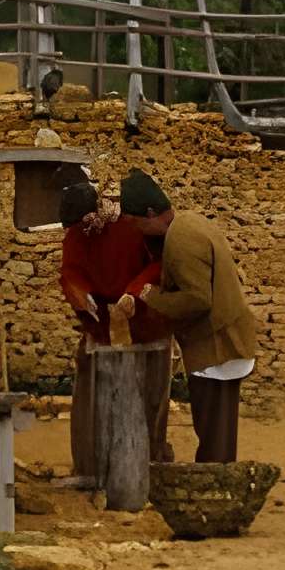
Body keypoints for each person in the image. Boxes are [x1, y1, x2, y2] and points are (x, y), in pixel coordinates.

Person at [111, 169, 259, 463]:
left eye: (137, 222)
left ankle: (214, 493)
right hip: (225, 344)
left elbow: (198, 299)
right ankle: (218, 486)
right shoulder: (190, 222)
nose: (137, 230)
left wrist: (151, 296)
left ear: (151, 213)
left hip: (216, 348)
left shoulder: (180, 240)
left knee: (213, 435)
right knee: (219, 432)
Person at [58, 178, 165, 456]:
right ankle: (91, 460)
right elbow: (71, 271)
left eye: (84, 223)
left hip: (143, 317)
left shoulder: (132, 224)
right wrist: (82, 295)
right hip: (101, 321)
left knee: (148, 388)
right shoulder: (77, 234)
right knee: (91, 386)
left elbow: (158, 265)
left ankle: (151, 456)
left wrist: (133, 293)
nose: (81, 230)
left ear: (95, 212)